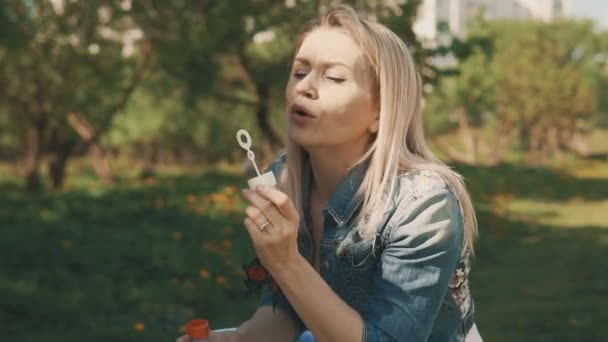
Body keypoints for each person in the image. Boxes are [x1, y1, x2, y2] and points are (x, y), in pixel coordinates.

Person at [178, 4, 479, 342]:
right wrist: (237, 339)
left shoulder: (424, 207)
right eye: (299, 72)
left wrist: (287, 263)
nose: (305, 87)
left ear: (381, 112)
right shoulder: (285, 177)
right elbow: (287, 310)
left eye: (334, 77)